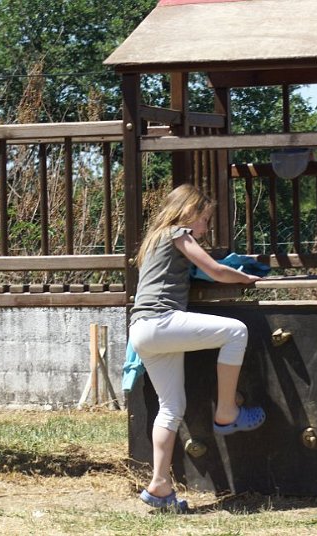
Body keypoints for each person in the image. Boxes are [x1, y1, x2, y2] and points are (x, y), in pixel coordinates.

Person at [128, 183, 266, 512]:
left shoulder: (152, 240)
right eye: (204, 219)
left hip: (141, 330)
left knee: (171, 406)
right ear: (188, 212)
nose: (205, 227)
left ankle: (159, 486)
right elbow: (214, 270)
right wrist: (246, 279)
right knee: (236, 332)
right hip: (162, 323)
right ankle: (227, 412)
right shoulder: (179, 232)